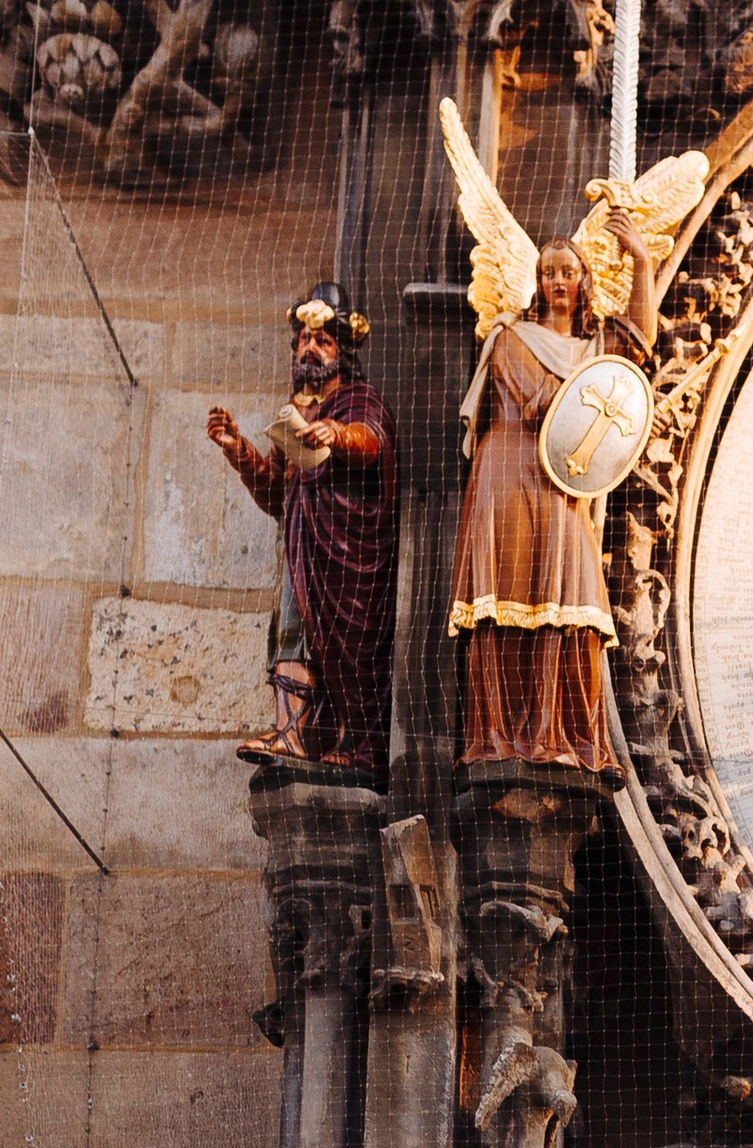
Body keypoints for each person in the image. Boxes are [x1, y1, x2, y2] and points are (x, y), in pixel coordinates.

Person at [447, 219, 655, 773]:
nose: (556, 279)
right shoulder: (511, 339)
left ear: (585, 280)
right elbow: (543, 405)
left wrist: (642, 261)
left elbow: (640, 340)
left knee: (576, 606)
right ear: (536, 283)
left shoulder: (595, 346)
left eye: (567, 270)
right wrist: (595, 388)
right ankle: (501, 736)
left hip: (562, 483)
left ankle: (569, 738)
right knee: (505, 601)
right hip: (511, 470)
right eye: (546, 272)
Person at [207, 281, 399, 773]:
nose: (309, 348)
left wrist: (335, 433)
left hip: (348, 555)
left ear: (342, 350)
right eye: (303, 340)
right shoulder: (294, 413)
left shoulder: (359, 400)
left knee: (349, 644)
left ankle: (357, 746)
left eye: (323, 340)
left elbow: (372, 441)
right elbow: (277, 494)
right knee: (293, 633)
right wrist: (239, 451)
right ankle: (290, 734)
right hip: (301, 544)